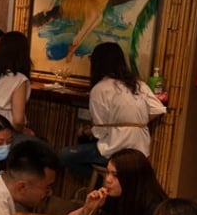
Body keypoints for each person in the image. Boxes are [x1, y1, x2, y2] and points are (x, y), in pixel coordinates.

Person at [59, 42, 166, 181]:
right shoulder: (139, 84)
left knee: (65, 155)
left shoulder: (100, 89)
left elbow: (100, 131)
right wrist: (137, 122)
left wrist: (85, 132)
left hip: (114, 149)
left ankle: (102, 183)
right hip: (141, 151)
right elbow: (158, 109)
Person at [66, 147, 168, 215]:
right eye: (108, 172)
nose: (108, 179)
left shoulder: (153, 206)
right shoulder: (115, 194)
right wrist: (87, 208)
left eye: (115, 175)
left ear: (132, 178)